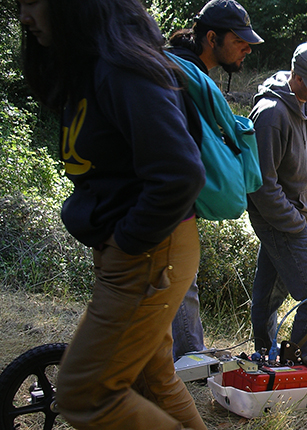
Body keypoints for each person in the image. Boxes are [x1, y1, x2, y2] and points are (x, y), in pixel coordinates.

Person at [18, 0, 207, 429]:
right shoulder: (92, 67)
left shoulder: (121, 68)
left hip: (149, 252)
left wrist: (127, 245)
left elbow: (179, 173)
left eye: (33, 1)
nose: (24, 16)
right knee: (152, 378)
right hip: (142, 250)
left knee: (87, 392)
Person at [167, 0, 263, 362]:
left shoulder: (188, 72)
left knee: (180, 277)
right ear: (212, 37)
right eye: (240, 41)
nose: (247, 48)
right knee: (176, 276)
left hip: (175, 196)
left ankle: (187, 353)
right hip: (165, 197)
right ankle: (187, 356)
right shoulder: (180, 75)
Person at [247, 41, 307, 367]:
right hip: (281, 219)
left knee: (267, 297)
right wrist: (294, 221)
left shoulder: (304, 103)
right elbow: (260, 184)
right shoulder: (271, 114)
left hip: (291, 215)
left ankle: (264, 357)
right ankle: (301, 365)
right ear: (297, 76)